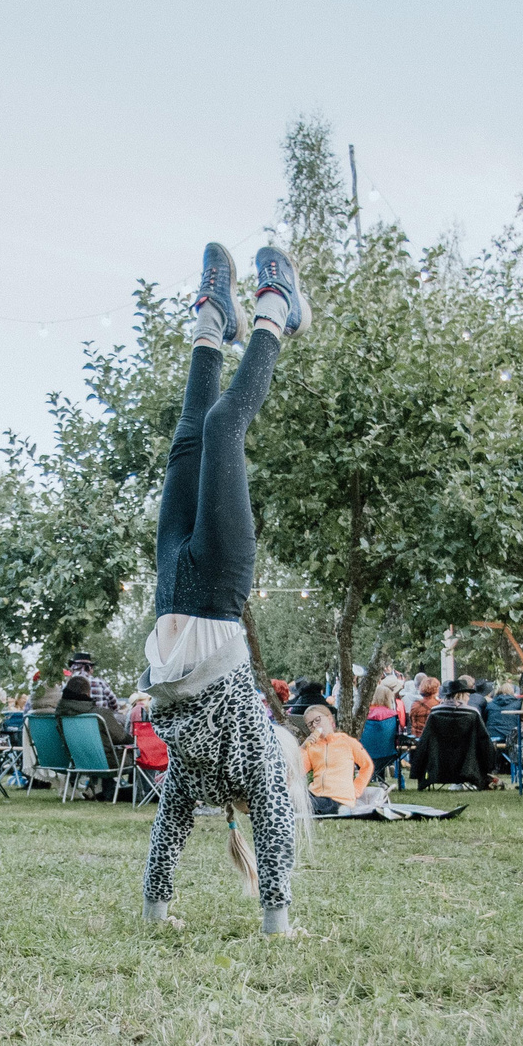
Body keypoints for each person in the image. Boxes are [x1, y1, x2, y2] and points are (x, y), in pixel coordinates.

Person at [139, 242, 314, 936]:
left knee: (187, 438)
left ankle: (214, 324)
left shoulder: (207, 767)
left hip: (170, 591)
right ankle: (277, 312)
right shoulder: (248, 752)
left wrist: (156, 910)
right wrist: (279, 922)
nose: (279, 738)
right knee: (222, 426)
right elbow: (274, 824)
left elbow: (167, 832)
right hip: (214, 587)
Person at [301, 701, 382, 815]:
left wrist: (356, 790)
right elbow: (298, 770)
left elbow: (367, 765)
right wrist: (303, 748)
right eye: (310, 724)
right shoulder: (312, 747)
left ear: (330, 719)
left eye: (317, 720)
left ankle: (343, 808)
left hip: (338, 796)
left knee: (307, 804)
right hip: (316, 793)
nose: (315, 725)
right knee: (296, 799)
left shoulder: (347, 741)